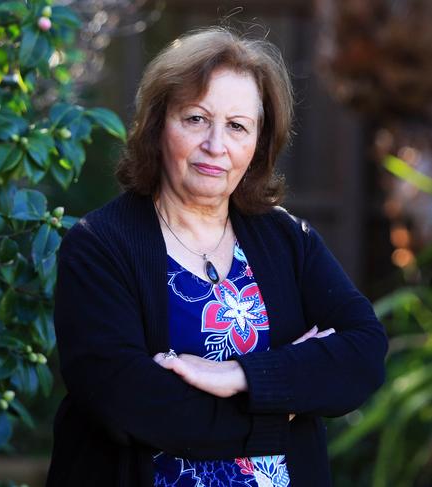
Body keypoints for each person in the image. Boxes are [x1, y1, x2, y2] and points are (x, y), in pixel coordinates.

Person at [46, 27, 388, 487]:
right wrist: (281, 407)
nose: (215, 145)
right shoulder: (99, 247)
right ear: (157, 123)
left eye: (237, 126)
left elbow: (364, 353)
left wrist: (243, 375)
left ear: (259, 144)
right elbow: (130, 404)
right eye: (195, 119)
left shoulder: (287, 239)